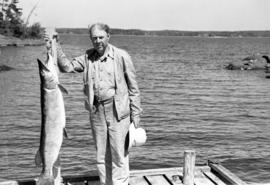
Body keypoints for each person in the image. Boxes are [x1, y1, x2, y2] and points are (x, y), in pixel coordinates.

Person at [46, 23, 142, 185]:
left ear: (108, 37)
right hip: (97, 111)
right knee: (101, 155)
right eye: (94, 38)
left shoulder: (122, 56)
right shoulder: (87, 57)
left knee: (119, 155)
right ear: (91, 39)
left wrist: (136, 114)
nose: (98, 41)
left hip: (118, 111)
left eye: (101, 37)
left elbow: (134, 88)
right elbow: (66, 67)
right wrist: (55, 45)